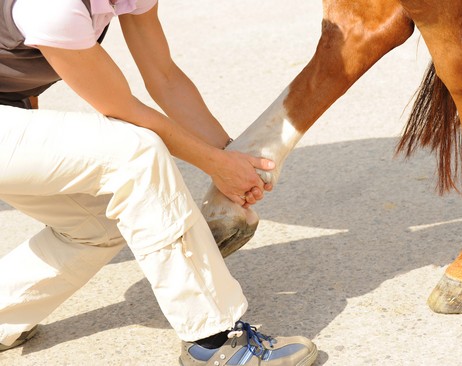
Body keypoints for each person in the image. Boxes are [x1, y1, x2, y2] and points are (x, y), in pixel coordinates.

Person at [0, 0, 318, 364]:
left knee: (95, 224)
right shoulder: (51, 6)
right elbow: (121, 107)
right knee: (135, 152)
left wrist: (232, 160)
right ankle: (212, 342)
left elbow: (164, 76)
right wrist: (219, 166)